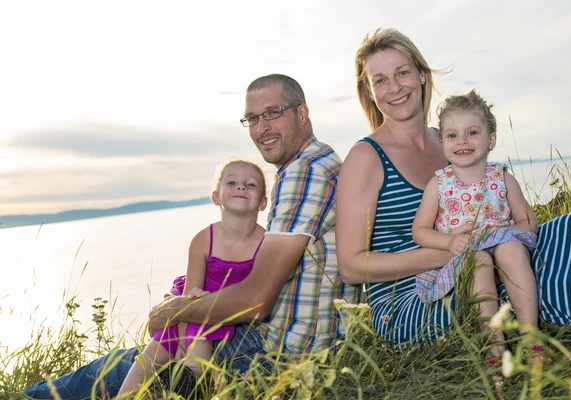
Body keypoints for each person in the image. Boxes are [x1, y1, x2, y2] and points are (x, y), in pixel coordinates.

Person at [24, 74, 360, 399]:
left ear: (302, 113)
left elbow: (255, 300)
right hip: (300, 343)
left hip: (276, 355)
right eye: (252, 118)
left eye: (272, 113)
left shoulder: (304, 173)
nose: (262, 128)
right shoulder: (316, 163)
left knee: (132, 362)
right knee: (155, 353)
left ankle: (33, 396)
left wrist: (174, 311)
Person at [336, 27, 571, 352]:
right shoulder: (366, 157)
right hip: (411, 297)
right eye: (380, 80)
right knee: (535, 279)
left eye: (402, 72)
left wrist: (499, 239)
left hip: (477, 254)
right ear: (370, 91)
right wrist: (456, 251)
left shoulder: (449, 138)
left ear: (420, 75)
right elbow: (350, 267)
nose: (394, 87)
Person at [118, 160, 268, 396]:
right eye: (231, 182)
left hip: (223, 310)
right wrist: (179, 342)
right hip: (192, 303)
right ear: (216, 197)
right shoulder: (203, 240)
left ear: (263, 202)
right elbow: (186, 302)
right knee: (154, 352)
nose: (241, 187)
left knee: (200, 346)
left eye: (251, 184)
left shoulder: (266, 243)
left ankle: (188, 381)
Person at [411, 90, 540, 362]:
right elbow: (420, 231)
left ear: (490, 139)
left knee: (510, 250)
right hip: (467, 258)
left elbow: (528, 222)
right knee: (478, 259)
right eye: (452, 135)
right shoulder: (439, 185)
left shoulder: (502, 178)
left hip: (505, 253)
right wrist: (447, 242)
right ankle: (495, 347)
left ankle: (531, 338)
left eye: (472, 132)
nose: (462, 141)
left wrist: (504, 234)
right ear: (442, 142)